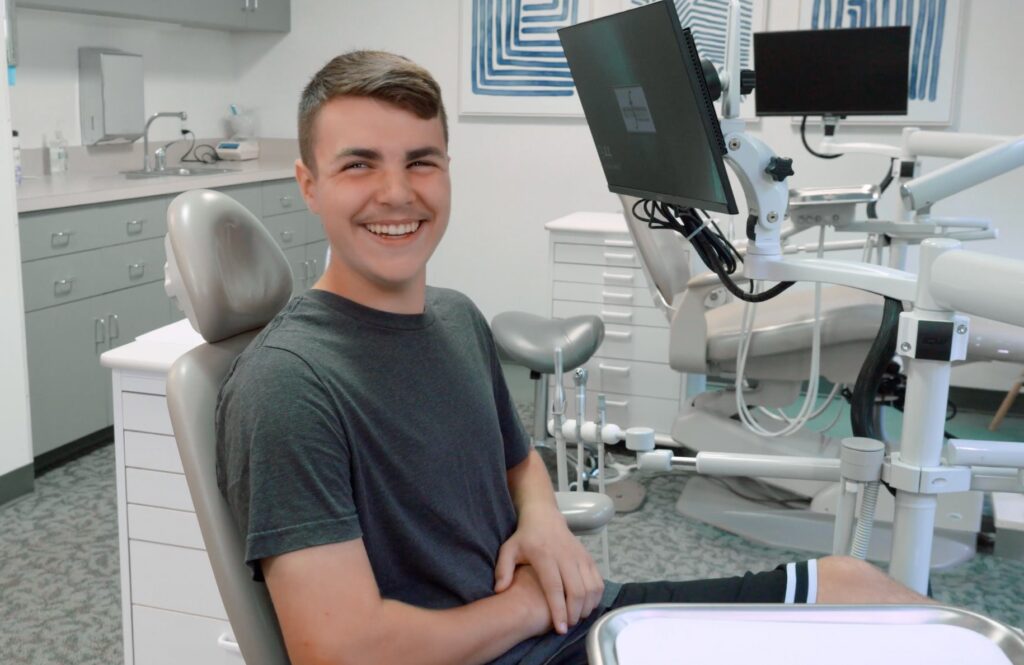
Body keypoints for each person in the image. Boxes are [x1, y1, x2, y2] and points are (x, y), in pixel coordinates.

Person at [216, 50, 931, 665]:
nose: (397, 193)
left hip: (570, 624)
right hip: (515, 645)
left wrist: (543, 520)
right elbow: (343, 650)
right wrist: (531, 606)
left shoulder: (456, 317)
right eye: (358, 165)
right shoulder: (290, 384)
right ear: (309, 185)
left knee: (850, 586)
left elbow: (518, 458)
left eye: (421, 162)